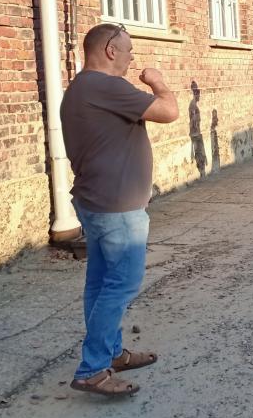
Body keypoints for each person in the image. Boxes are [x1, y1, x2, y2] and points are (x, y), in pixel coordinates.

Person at [60, 23, 179, 397]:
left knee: (100, 283)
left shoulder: (81, 87)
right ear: (110, 50)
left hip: (97, 203)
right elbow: (169, 111)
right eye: (128, 51)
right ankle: (93, 369)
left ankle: (110, 353)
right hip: (116, 208)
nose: (131, 58)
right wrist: (158, 82)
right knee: (122, 283)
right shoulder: (106, 86)